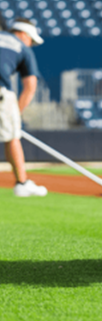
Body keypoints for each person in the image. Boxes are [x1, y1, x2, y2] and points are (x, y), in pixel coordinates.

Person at [0, 18, 48, 197]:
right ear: (22, 34)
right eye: (31, 39)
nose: (31, 44)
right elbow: (30, 87)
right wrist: (16, 116)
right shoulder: (23, 48)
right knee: (12, 137)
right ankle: (22, 183)